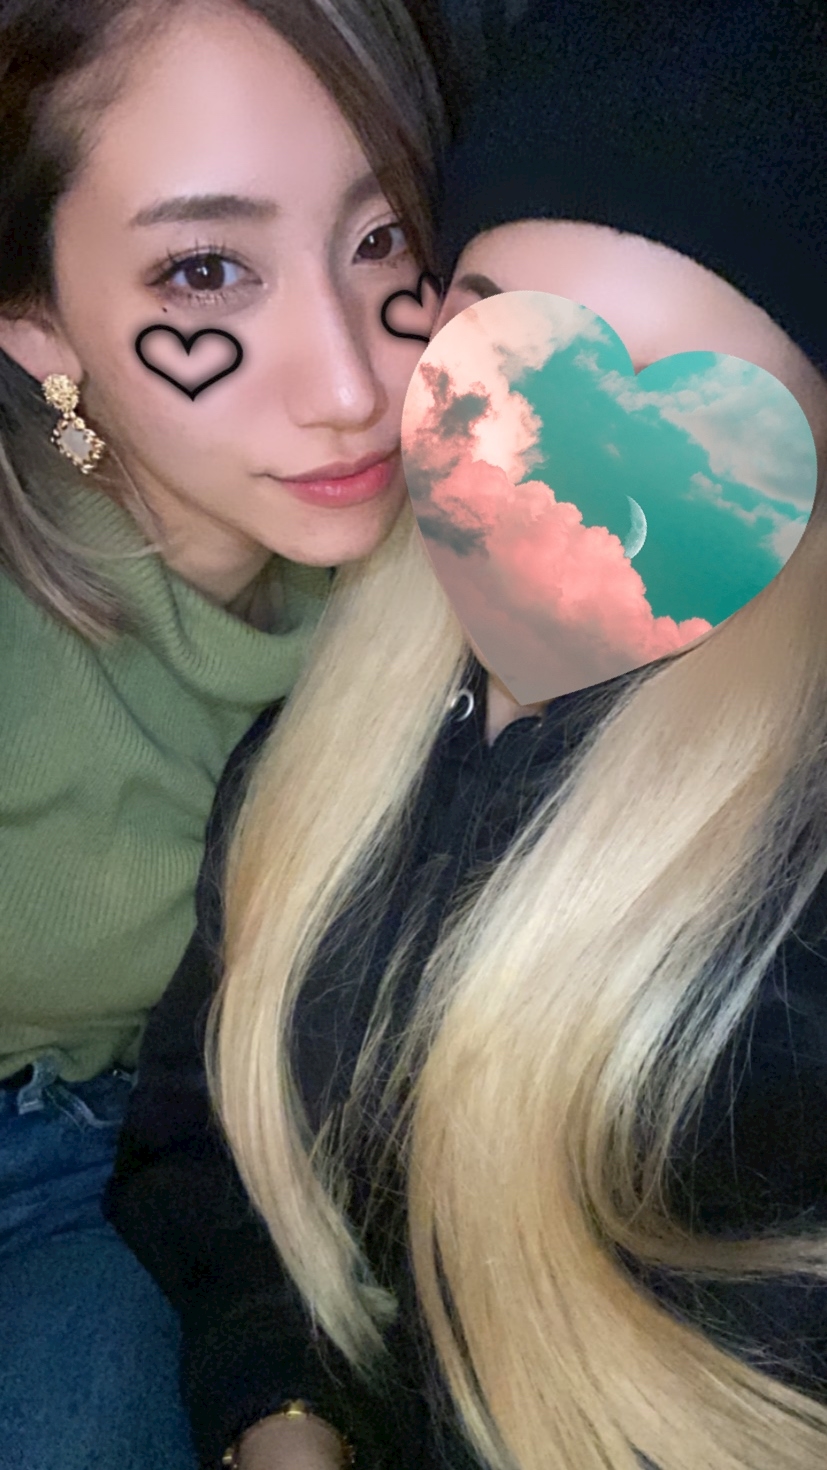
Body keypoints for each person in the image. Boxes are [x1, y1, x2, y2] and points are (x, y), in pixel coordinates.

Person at [107, 2, 827, 1469]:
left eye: (689, 397)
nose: (546, 455)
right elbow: (208, 1144)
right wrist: (278, 1403)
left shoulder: (792, 890)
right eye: (493, 325)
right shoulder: (315, 751)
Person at [0, 0, 447, 1465]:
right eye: (206, 269)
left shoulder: (481, 559)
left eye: (383, 239)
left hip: (180, 1171)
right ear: (35, 319)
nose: (352, 387)